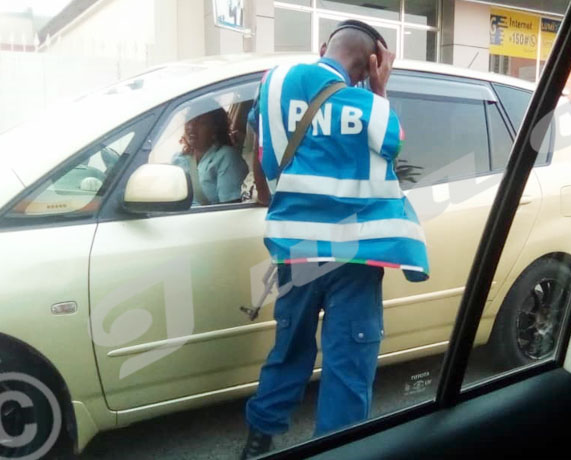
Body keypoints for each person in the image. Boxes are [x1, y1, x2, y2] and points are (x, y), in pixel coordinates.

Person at [240, 20, 429, 458]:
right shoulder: (369, 105)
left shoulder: (277, 80)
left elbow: (259, 152)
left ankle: (258, 440)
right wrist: (381, 90)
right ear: (371, 67)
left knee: (289, 345)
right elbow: (392, 145)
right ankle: (335, 447)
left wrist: (275, 206)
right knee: (349, 357)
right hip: (355, 256)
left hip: (297, 250)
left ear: (323, 46)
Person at [171, 104, 248, 205]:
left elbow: (229, 209)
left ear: (215, 128)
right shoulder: (178, 158)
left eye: (201, 123)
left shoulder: (226, 157)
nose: (192, 127)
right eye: (190, 121)